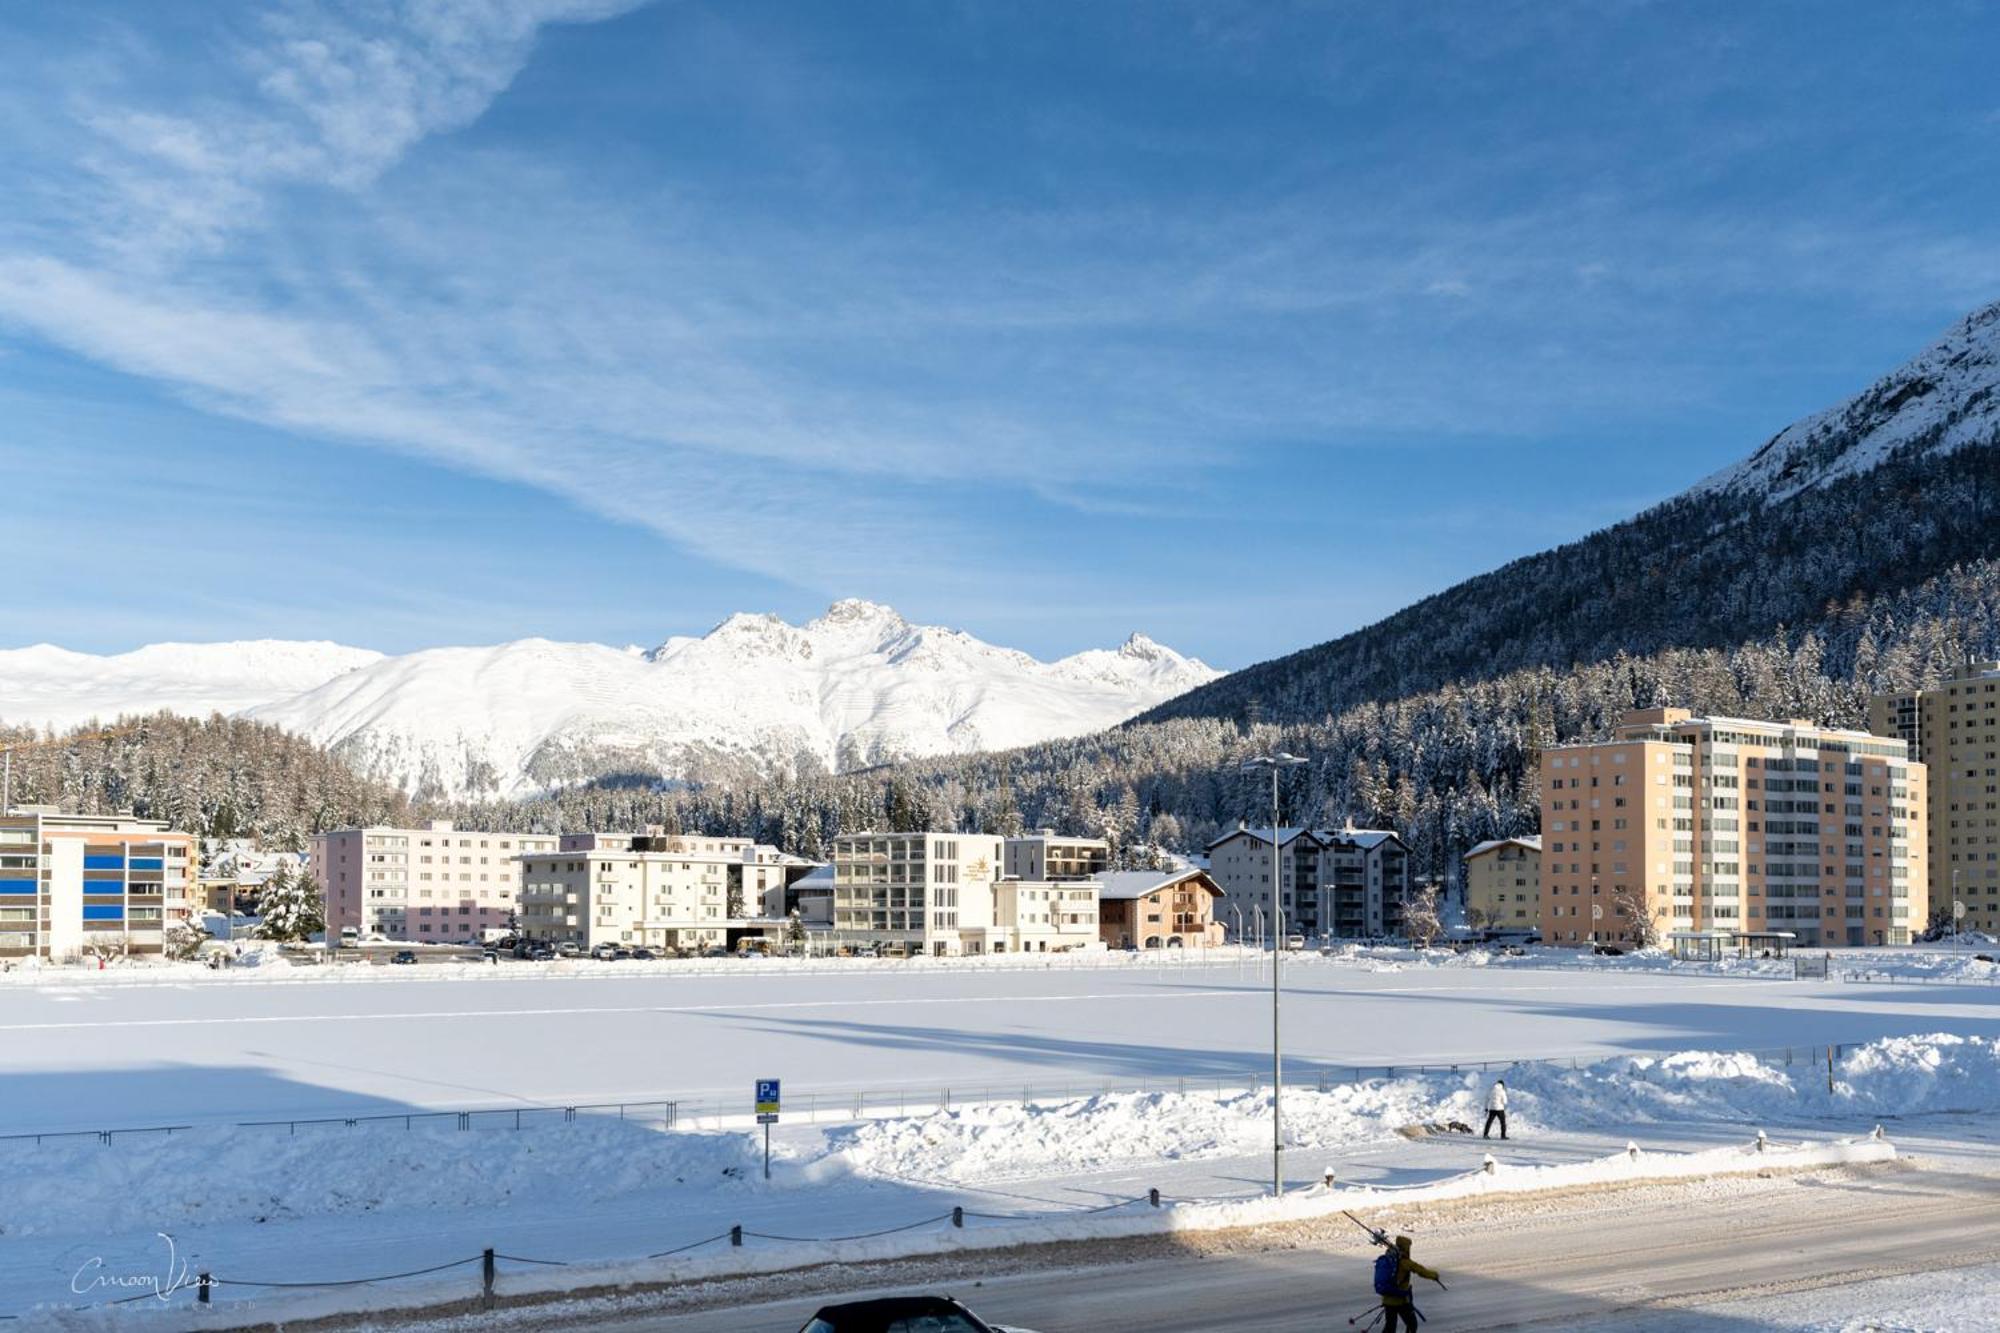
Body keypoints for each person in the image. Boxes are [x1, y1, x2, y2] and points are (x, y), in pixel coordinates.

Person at [1377, 1234, 1440, 1332]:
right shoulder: (1405, 1262)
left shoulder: (1390, 1259)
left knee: (1390, 1327)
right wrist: (1434, 1275)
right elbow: (1420, 1270)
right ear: (1406, 1247)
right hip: (1402, 1300)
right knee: (1412, 1324)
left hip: (1388, 1300)